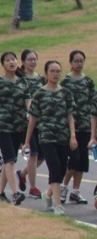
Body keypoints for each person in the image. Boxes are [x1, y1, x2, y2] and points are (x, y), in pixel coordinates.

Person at [23, 60, 78, 215]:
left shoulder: (65, 93)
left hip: (63, 135)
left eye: (58, 71)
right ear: (46, 73)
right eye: (52, 71)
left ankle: (48, 195)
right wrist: (27, 142)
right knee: (54, 166)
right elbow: (33, 119)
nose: (55, 74)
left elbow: (70, 116)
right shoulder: (40, 93)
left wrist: (73, 135)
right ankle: (58, 204)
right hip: (46, 136)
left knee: (61, 168)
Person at [60, 50, 94, 204]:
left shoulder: (88, 81)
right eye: (76, 61)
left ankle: (76, 191)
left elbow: (93, 102)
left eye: (81, 61)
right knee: (74, 160)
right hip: (70, 126)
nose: (79, 64)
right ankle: (63, 187)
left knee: (82, 162)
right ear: (70, 62)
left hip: (85, 126)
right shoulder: (66, 81)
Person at [0, 51, 30, 205]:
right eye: (7, 60)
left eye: (13, 59)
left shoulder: (22, 82)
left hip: (19, 125)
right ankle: (15, 192)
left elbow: (28, 100)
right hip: (3, 125)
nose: (11, 62)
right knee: (10, 159)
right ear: (3, 64)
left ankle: (0, 192)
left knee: (9, 160)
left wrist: (29, 113)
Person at [16, 49, 45, 199]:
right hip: (24, 122)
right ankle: (33, 187)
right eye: (30, 59)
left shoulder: (41, 79)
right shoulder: (19, 78)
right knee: (33, 154)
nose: (33, 62)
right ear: (23, 61)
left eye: (35, 59)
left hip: (40, 122)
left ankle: (22, 173)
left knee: (41, 156)